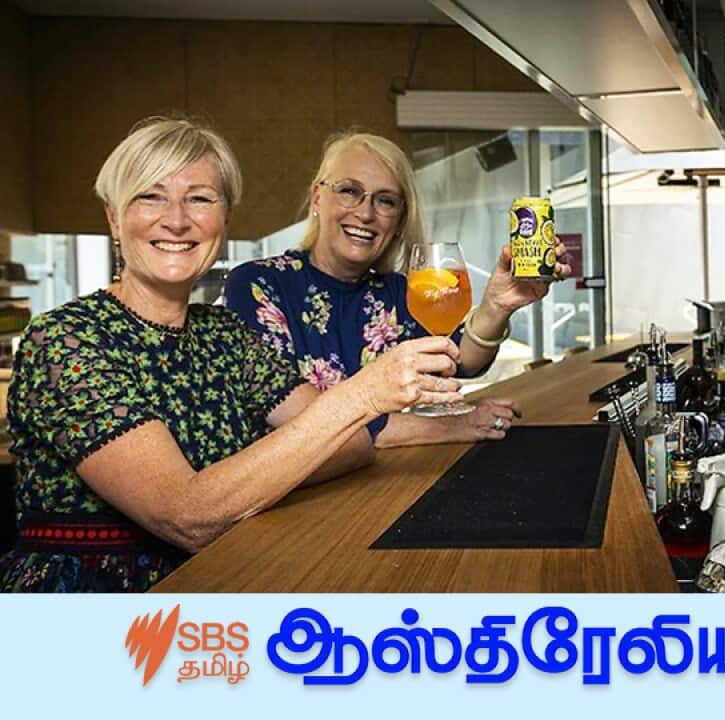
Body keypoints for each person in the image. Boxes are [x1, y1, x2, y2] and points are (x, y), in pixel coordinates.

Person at [0, 118, 464, 592]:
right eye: (150, 195)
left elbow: (352, 445)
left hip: (228, 584)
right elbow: (188, 517)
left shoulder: (226, 335)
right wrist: (361, 396)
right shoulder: (67, 339)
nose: (177, 220)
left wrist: (242, 484)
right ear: (115, 218)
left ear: (224, 220)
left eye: (200, 198)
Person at [222, 132, 571, 448]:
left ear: (400, 219)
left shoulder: (394, 293)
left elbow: (459, 361)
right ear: (317, 198)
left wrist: (497, 305)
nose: (365, 213)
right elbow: (305, 425)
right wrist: (453, 427)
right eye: (349, 191)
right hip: (289, 504)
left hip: (375, 489)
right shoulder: (257, 286)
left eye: (385, 201)